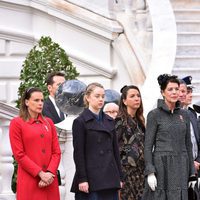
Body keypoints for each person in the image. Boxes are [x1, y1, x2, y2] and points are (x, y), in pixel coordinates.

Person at [142, 74, 196, 200]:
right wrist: (150, 171)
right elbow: (148, 146)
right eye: (170, 89)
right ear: (163, 92)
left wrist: (192, 173)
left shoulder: (185, 115)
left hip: (181, 165)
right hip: (162, 166)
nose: (174, 92)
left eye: (176, 89)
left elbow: (188, 144)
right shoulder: (154, 115)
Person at [70, 82, 123, 200]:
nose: (101, 99)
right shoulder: (80, 122)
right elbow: (78, 154)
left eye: (103, 96)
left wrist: (119, 177)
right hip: (91, 179)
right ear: (88, 97)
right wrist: (82, 179)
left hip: (110, 178)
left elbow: (115, 152)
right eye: (97, 96)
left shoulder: (109, 121)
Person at [9, 87, 61, 200]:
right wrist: (41, 174)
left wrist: (50, 173)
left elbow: (56, 152)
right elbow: (19, 154)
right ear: (27, 102)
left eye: (42, 100)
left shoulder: (49, 123)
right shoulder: (17, 123)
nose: (40, 103)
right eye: (36, 100)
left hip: (50, 181)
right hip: (30, 180)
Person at [115, 85, 145, 200]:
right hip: (126, 172)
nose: (137, 98)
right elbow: (115, 148)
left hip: (141, 172)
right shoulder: (119, 121)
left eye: (138, 96)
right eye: (132, 96)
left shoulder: (140, 121)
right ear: (124, 101)